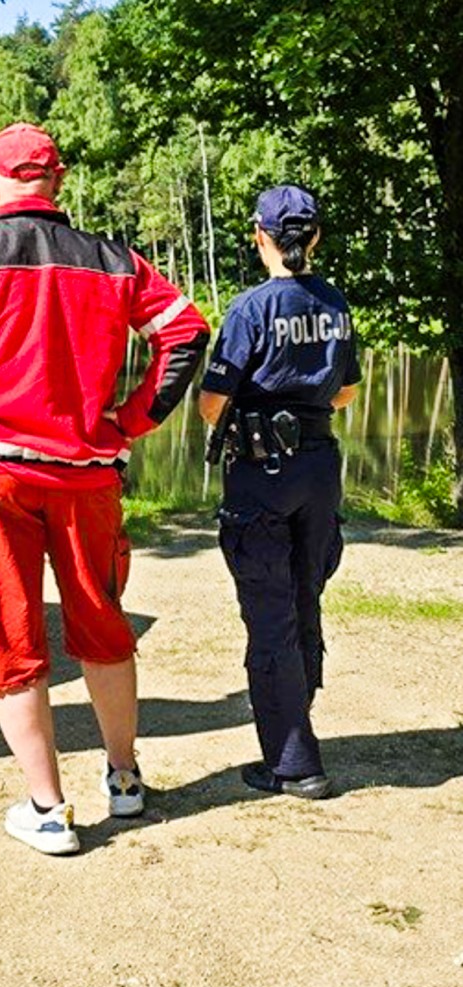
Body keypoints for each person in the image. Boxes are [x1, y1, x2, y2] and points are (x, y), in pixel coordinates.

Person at [0, 123, 210, 854]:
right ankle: (123, 781)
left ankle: (47, 809)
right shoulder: (112, 260)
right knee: (101, 624)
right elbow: (183, 332)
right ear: (58, 181)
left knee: (7, 632)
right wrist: (134, 417)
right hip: (85, 473)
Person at [199, 185, 359, 800]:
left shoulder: (249, 309)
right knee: (304, 597)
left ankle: (293, 761)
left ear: (259, 235)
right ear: (314, 237)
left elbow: (214, 404)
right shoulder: (334, 303)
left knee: (269, 614)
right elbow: (345, 391)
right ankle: (300, 722)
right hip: (319, 464)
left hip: (262, 470)